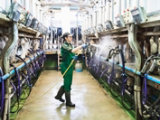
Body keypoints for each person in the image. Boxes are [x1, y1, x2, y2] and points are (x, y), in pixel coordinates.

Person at [55, 32, 88, 107]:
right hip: (65, 66)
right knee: (67, 84)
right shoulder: (64, 46)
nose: (71, 38)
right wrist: (81, 46)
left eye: (71, 37)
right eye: (69, 37)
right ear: (65, 38)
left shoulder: (70, 44)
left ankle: (58, 96)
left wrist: (77, 52)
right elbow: (72, 51)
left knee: (68, 83)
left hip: (69, 66)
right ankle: (68, 102)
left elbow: (73, 51)